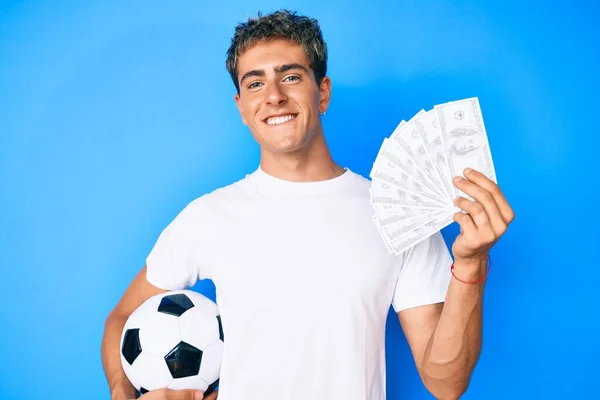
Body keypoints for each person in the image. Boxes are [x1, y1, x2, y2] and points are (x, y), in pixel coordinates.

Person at [101, 9, 515, 400]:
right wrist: (124, 393)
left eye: (291, 76)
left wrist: (471, 263)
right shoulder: (207, 217)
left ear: (323, 93)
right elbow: (121, 319)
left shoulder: (395, 211)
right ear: (242, 108)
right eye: (255, 83)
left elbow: (446, 382)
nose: (274, 96)